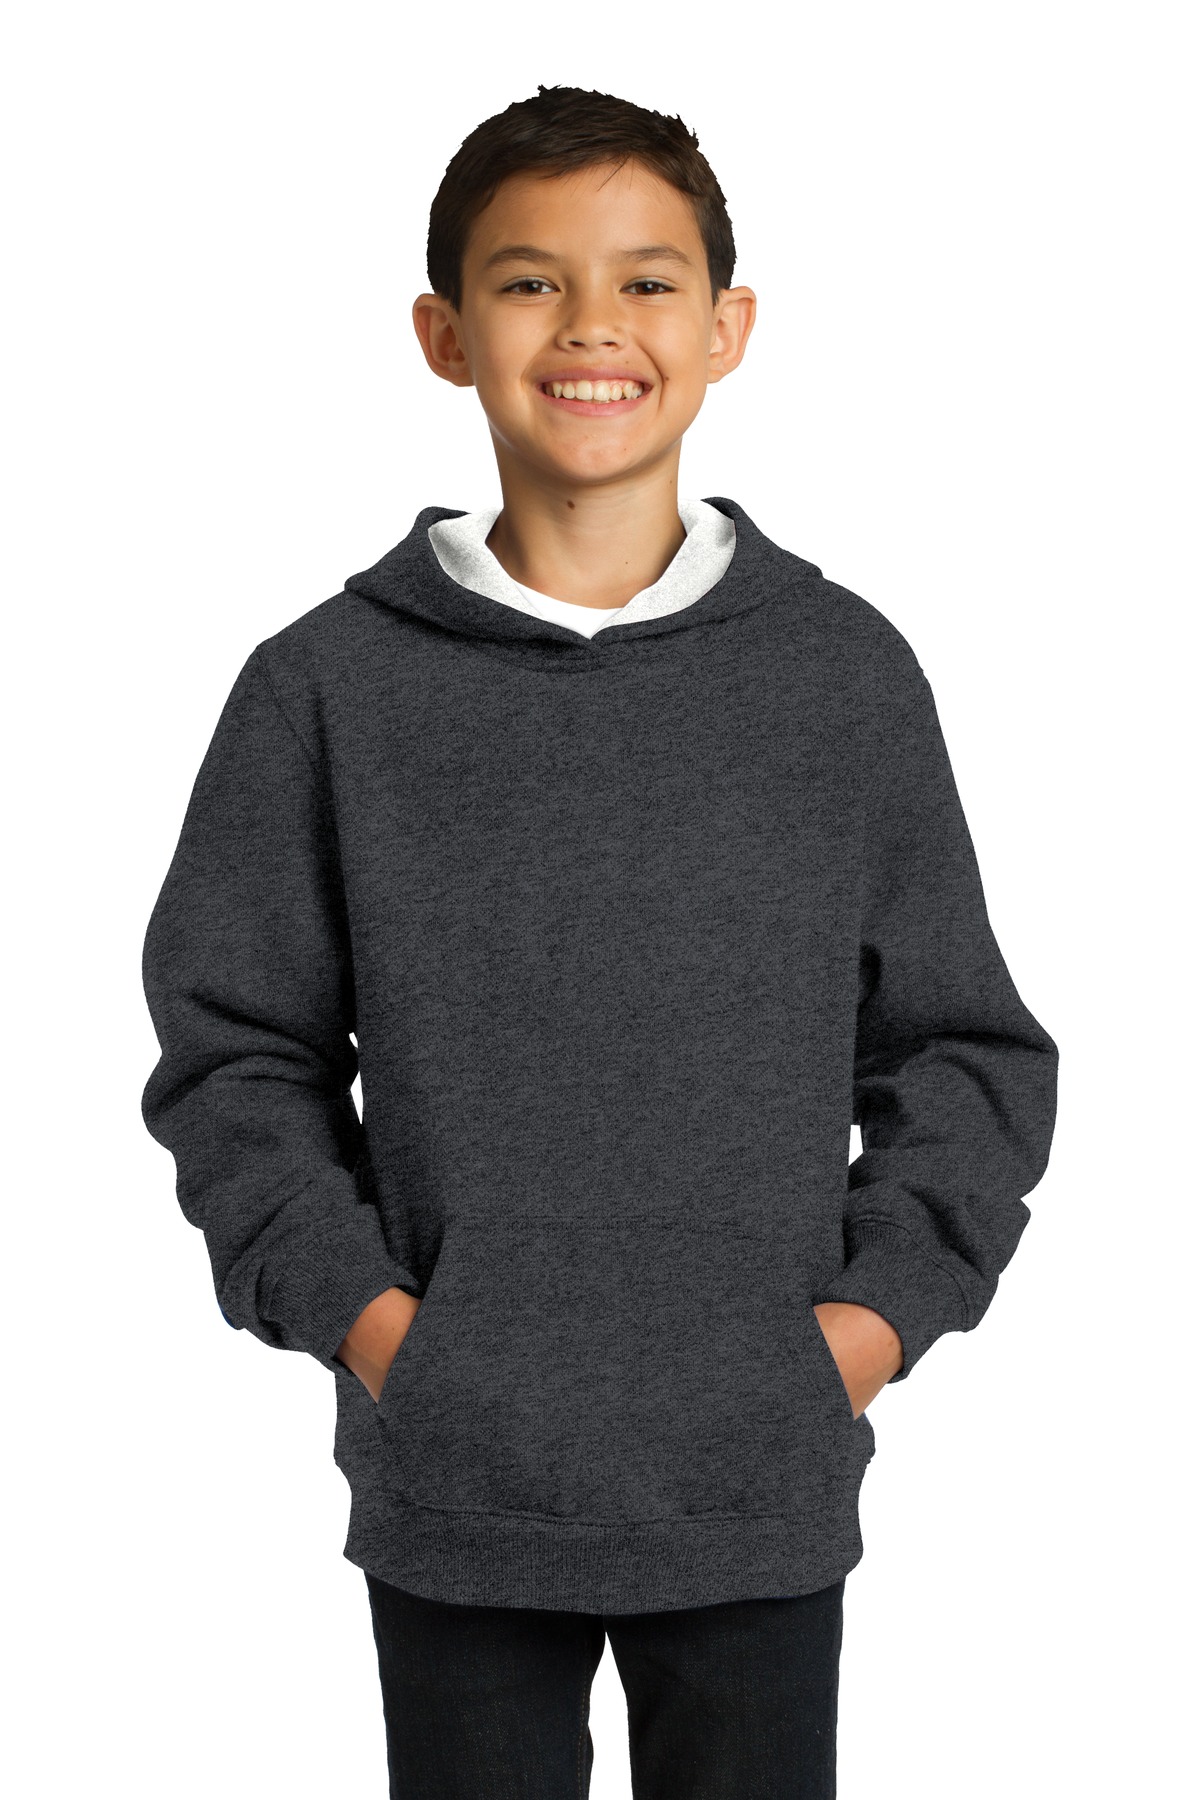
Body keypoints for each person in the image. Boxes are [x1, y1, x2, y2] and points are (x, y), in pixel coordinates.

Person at [139, 83, 1059, 1799]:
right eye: (528, 282)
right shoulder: (327, 688)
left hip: (759, 1472)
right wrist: (384, 1335)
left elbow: (962, 1053)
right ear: (445, 334)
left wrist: (856, 1339)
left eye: (646, 282)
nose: (590, 327)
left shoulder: (840, 677)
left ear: (726, 329)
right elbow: (235, 1055)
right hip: (457, 1474)